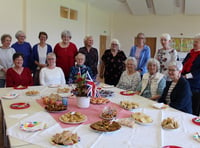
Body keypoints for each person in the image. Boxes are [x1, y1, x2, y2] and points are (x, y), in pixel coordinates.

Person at [182, 34, 200, 116]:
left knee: (194, 108)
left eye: (196, 42)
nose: (194, 43)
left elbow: (198, 72)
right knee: (185, 106)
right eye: (194, 41)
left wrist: (186, 76)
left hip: (196, 86)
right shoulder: (190, 54)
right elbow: (183, 64)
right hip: (185, 83)